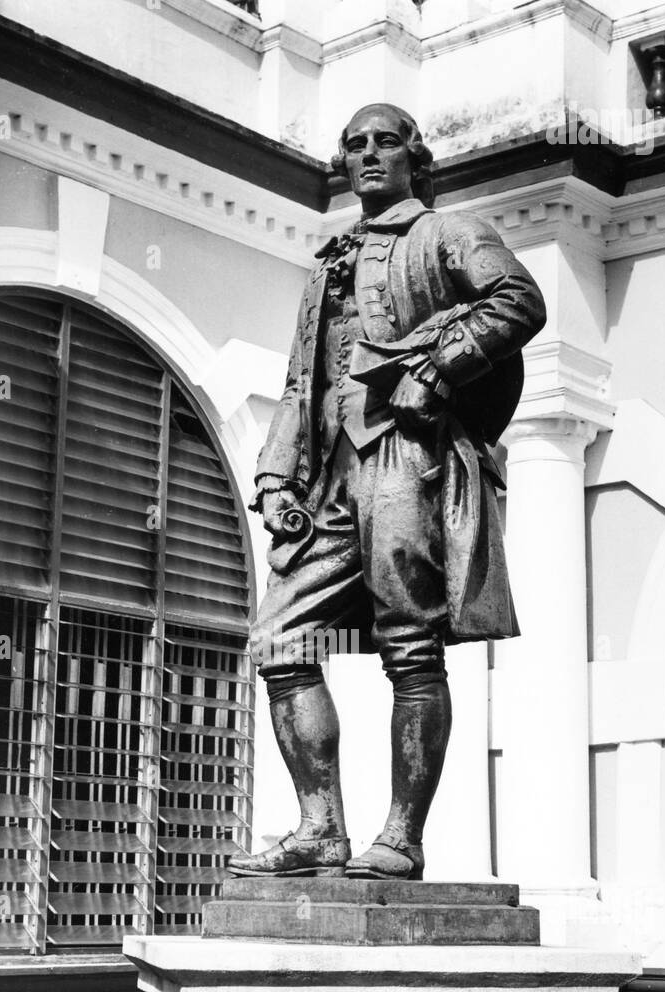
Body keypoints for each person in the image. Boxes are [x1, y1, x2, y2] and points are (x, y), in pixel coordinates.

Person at [228, 103, 546, 881]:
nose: (367, 154)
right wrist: (275, 478)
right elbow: (302, 381)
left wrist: (438, 369)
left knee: (411, 642)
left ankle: (401, 838)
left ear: (414, 160)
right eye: (354, 144)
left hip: (408, 457)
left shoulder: (445, 234)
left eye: (384, 143)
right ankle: (319, 829)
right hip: (335, 473)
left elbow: (518, 302)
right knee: (280, 638)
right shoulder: (328, 262)